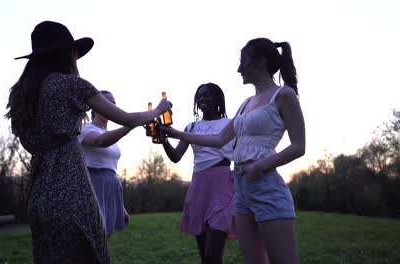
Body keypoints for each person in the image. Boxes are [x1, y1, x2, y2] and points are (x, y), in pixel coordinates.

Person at [5, 21, 171, 264]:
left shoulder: (21, 94)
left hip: (39, 194)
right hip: (72, 191)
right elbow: (124, 117)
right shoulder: (68, 85)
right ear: (66, 53)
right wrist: (158, 110)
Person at [164, 38, 305, 264]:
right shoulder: (246, 103)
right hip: (241, 188)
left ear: (260, 62)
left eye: (243, 62)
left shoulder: (284, 96)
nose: (239, 68)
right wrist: (176, 134)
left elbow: (299, 146)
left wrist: (261, 165)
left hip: (266, 185)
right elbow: (220, 139)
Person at [161, 83, 235, 264]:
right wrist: (163, 141)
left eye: (208, 95)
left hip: (222, 184)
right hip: (199, 187)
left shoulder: (230, 123)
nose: (203, 99)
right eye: (200, 96)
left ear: (218, 99)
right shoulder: (191, 127)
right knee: (204, 254)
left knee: (212, 255)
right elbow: (176, 156)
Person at [78, 90, 131, 238]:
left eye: (113, 104)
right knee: (95, 233)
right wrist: (130, 125)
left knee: (105, 236)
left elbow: (110, 168)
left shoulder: (108, 132)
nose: (111, 107)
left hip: (111, 187)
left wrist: (121, 206)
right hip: (93, 184)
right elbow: (100, 141)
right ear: (95, 106)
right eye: (107, 103)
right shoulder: (86, 129)